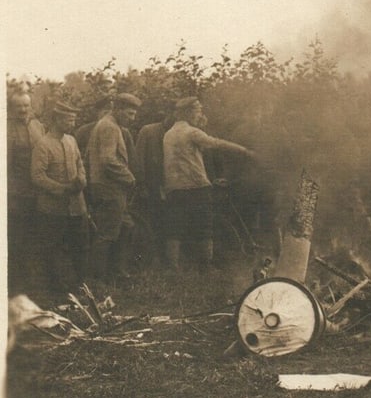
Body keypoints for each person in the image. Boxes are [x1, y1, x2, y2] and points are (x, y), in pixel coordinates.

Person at [162, 97, 253, 270]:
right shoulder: (191, 132)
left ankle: (173, 267)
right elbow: (216, 144)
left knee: (174, 227)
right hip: (196, 186)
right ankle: (206, 265)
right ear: (188, 112)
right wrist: (244, 151)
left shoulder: (168, 134)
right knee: (204, 225)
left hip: (173, 187)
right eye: (197, 112)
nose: (199, 115)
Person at [30, 101, 88, 293]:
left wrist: (81, 178)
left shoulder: (71, 140)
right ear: (56, 120)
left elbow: (80, 163)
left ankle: (80, 285)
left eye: (73, 119)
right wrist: (61, 189)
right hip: (52, 208)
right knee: (52, 248)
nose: (72, 123)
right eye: (69, 120)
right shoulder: (43, 145)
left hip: (76, 206)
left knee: (78, 245)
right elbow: (37, 176)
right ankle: (56, 288)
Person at [86, 92, 141, 283]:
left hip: (108, 186)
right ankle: (98, 279)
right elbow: (108, 160)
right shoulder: (109, 127)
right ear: (117, 109)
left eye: (134, 114)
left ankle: (117, 272)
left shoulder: (109, 124)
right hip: (109, 187)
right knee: (107, 233)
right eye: (129, 114)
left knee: (126, 227)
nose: (132, 118)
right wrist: (129, 178)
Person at [7, 89, 45, 294]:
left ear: (31, 107)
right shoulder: (7, 129)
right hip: (18, 194)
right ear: (12, 108)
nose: (23, 109)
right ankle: (18, 284)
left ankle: (33, 281)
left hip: (38, 191)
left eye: (26, 105)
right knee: (18, 238)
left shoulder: (38, 126)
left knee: (35, 236)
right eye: (19, 106)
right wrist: (12, 194)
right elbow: (6, 165)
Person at [131, 108, 175, 267]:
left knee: (168, 222)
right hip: (151, 185)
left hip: (171, 186)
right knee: (151, 221)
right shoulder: (149, 131)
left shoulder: (177, 133)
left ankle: (165, 258)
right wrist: (141, 183)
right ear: (168, 114)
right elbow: (139, 158)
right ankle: (149, 258)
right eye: (172, 114)